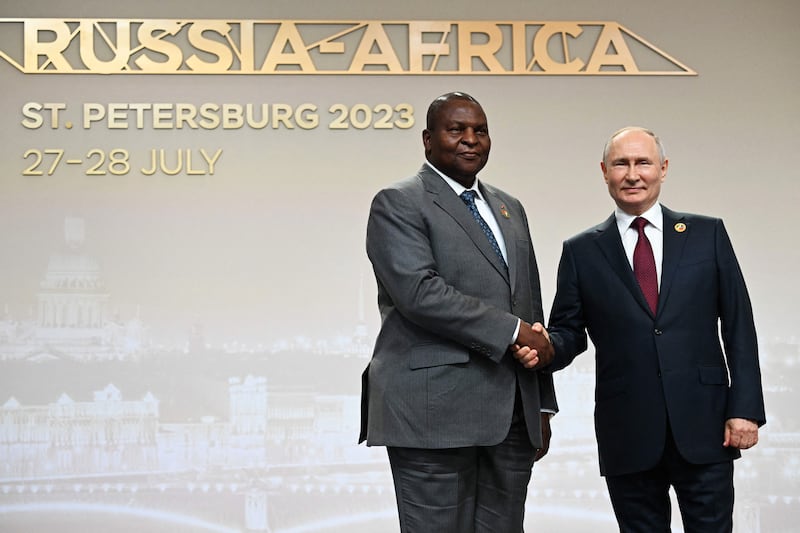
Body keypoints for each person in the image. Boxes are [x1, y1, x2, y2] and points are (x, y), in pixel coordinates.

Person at [514, 126, 766, 532]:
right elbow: (569, 332)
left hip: (705, 425)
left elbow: (739, 326)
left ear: (663, 169)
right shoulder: (581, 251)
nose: (633, 174)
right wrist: (543, 348)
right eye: (621, 164)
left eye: (643, 162)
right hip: (627, 429)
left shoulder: (707, 235)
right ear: (604, 172)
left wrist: (745, 410)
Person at [359, 91, 557, 533]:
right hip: (433, 415)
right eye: (457, 130)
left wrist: (542, 402)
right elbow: (420, 293)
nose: (471, 139)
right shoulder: (398, 202)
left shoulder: (510, 208)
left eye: (480, 131)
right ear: (428, 140)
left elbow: (529, 307)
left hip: (512, 419)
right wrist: (514, 332)